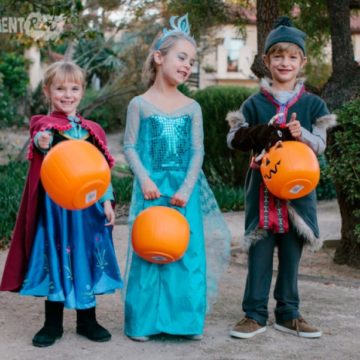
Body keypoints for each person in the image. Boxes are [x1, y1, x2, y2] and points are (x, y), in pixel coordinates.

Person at [226, 16, 336, 339]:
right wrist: (260, 132)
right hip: (262, 194)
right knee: (259, 256)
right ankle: (254, 314)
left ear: (302, 60)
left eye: (291, 56)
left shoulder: (314, 104)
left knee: (291, 255)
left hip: (298, 195)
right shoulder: (255, 102)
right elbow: (233, 139)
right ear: (266, 61)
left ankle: (288, 313)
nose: (284, 62)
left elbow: (321, 145)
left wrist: (302, 137)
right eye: (278, 56)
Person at [123, 14, 230, 342]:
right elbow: (129, 146)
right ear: (159, 57)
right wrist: (144, 179)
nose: (187, 66)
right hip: (151, 190)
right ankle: (144, 324)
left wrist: (186, 187)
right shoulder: (139, 104)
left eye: (192, 61)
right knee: (149, 250)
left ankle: (185, 323)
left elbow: (197, 152)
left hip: (184, 192)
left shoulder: (192, 107)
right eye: (181, 57)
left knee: (186, 253)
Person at [0, 61, 123, 347]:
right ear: (47, 91)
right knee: (57, 258)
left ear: (82, 91)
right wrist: (42, 141)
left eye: (74, 88)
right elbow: (40, 140)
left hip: (88, 210)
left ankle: (87, 321)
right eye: (60, 88)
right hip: (56, 212)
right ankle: (52, 324)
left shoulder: (92, 131)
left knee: (86, 257)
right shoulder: (45, 127)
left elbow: (101, 169)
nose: (67, 95)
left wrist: (107, 201)